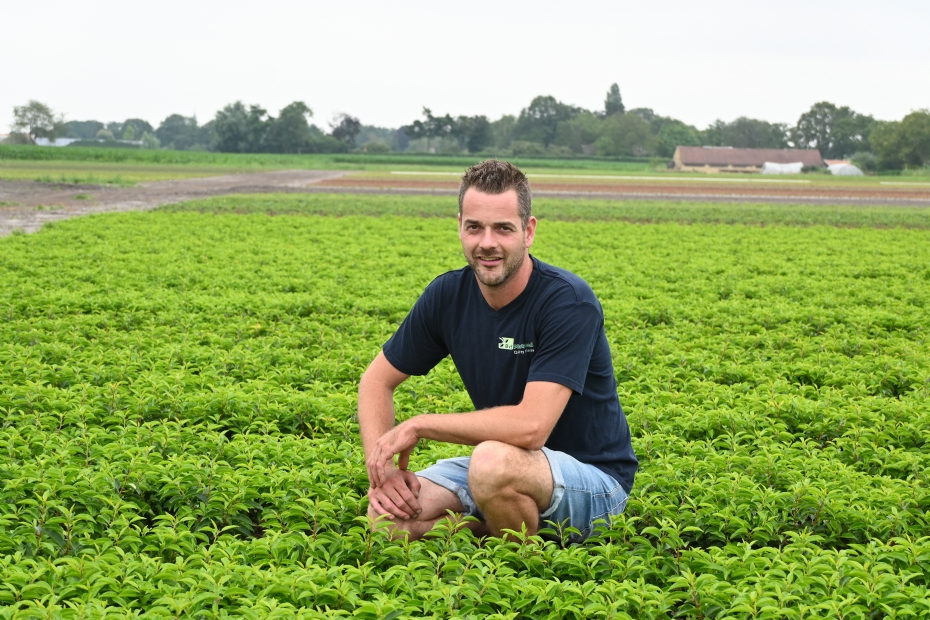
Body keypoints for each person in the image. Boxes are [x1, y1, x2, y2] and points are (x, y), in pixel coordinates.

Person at [359, 159, 637, 542]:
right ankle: (498, 527)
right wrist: (384, 472)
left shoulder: (568, 302)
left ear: (528, 231)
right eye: (475, 227)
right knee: (387, 518)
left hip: (593, 480)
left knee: (490, 461)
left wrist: (419, 424)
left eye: (503, 228)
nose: (487, 242)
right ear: (460, 226)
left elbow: (531, 427)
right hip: (500, 466)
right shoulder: (447, 296)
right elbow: (376, 381)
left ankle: (521, 552)